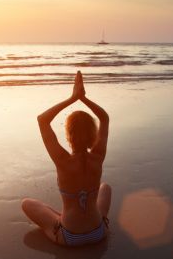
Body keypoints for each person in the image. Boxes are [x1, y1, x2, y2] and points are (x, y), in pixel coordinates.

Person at [21, 71, 111, 246]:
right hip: (99, 232)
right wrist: (84, 98)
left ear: (69, 135)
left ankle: (60, 218)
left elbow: (42, 120)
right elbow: (104, 118)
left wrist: (73, 97)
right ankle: (86, 220)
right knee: (105, 187)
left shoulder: (62, 160)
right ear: (94, 135)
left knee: (26, 203)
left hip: (69, 236)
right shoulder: (98, 156)